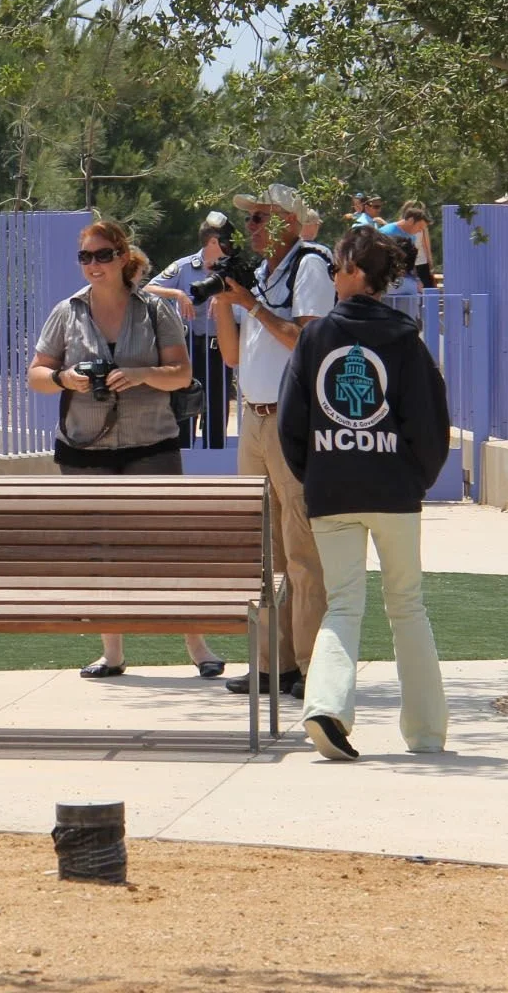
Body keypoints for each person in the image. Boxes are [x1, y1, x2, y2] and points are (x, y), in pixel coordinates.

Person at [277, 225, 452, 760]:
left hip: (333, 491)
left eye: (336, 267)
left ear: (355, 271)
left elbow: (292, 425)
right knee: (407, 607)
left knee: (344, 605)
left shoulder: (314, 338)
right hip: (394, 490)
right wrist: (412, 478)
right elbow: (430, 423)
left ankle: (326, 707)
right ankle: (425, 733)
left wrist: (321, 475)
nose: (332, 276)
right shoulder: (405, 339)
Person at [30, 220, 223, 679]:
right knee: (100, 553)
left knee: (166, 547)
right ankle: (112, 652)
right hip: (83, 446)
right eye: (85, 257)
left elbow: (180, 373)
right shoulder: (67, 312)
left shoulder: (155, 310)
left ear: (121, 256)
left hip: (150, 441)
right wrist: (65, 379)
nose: (93, 266)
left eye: (101, 255)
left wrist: (140, 374)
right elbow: (36, 374)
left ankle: (197, 644)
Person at [212, 184, 334, 700]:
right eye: (252, 219)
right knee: (266, 552)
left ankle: (312, 668)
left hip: (293, 419)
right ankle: (269, 665)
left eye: (262, 218)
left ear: (290, 219)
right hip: (256, 419)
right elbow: (233, 358)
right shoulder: (261, 273)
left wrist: (250, 305)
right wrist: (222, 301)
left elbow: (308, 338)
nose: (253, 228)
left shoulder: (310, 264)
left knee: (303, 551)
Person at [141, 215, 234, 452]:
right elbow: (149, 288)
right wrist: (179, 295)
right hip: (188, 345)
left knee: (217, 406)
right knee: (185, 403)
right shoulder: (185, 266)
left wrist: (224, 299)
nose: (231, 244)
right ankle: (184, 456)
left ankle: (215, 456)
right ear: (213, 242)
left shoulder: (232, 268)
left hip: (219, 346)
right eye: (226, 239)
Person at [380, 203, 432, 295]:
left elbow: (410, 263)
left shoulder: (412, 237)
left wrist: (416, 279)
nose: (420, 231)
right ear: (411, 220)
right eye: (420, 227)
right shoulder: (387, 233)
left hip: (404, 279)